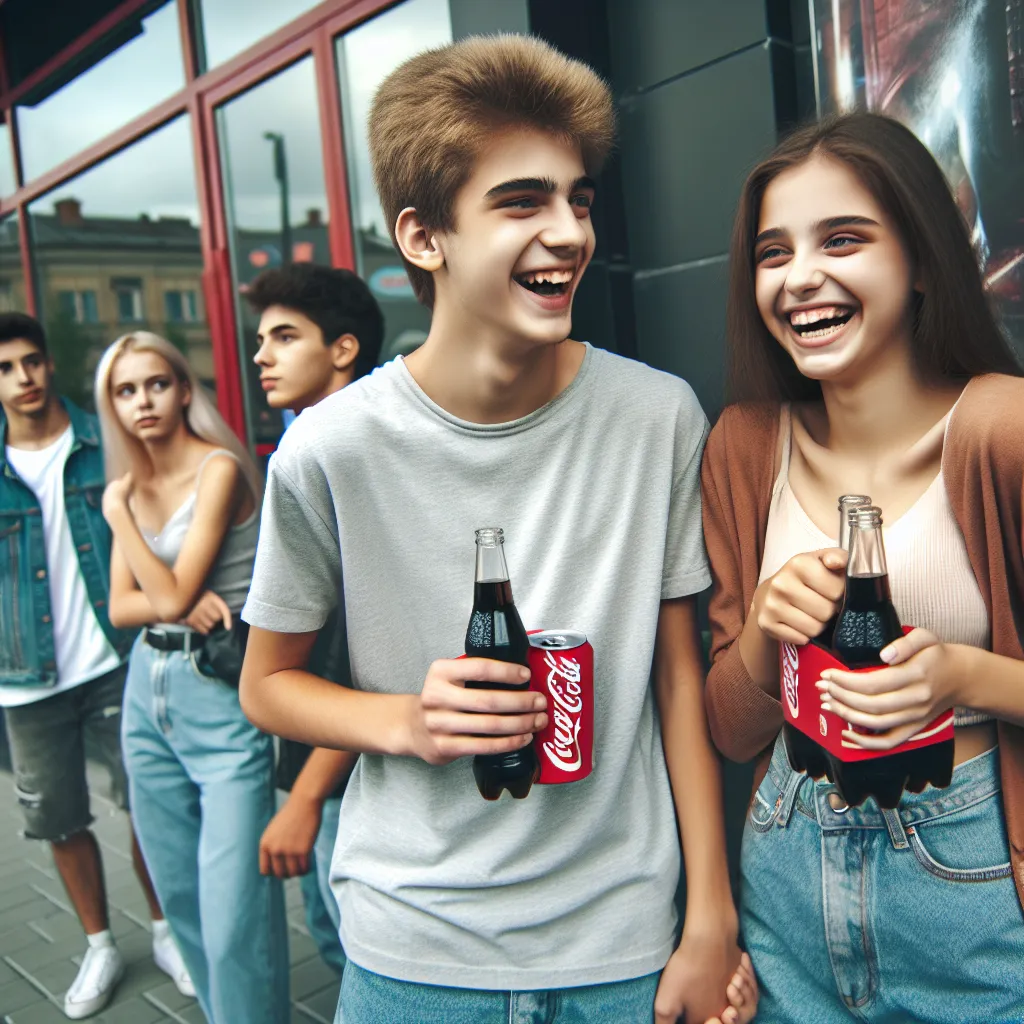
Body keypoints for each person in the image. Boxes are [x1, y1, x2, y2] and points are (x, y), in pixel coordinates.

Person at [240, 34, 756, 1024]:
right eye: (522, 203)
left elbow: (676, 676)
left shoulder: (657, 417)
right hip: (410, 954)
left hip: (621, 944)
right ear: (425, 237)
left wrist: (708, 919)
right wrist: (401, 720)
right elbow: (269, 684)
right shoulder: (330, 451)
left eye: (579, 198)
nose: (567, 231)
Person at [702, 111, 1024, 1022]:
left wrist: (963, 675)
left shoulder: (1004, 428)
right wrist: (766, 627)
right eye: (773, 251)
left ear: (920, 259)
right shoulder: (743, 445)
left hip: (967, 880)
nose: (801, 276)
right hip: (785, 864)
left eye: (842, 239)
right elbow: (729, 730)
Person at [0, 312, 192, 1019]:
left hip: (116, 659)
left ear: (50, 364)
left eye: (31, 361)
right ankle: (100, 943)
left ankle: (169, 931)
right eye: (5, 368)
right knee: (57, 818)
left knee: (145, 802)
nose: (22, 378)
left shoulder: (102, 441)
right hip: (24, 678)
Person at [94, 331, 289, 1024]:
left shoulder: (217, 469)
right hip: (147, 688)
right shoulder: (132, 482)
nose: (141, 401)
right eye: (124, 390)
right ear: (110, 405)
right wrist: (169, 588)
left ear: (183, 389)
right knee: (178, 893)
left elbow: (175, 598)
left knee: (233, 897)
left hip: (217, 687)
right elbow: (125, 608)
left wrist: (121, 522)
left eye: (155, 383)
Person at [246, 262, 384, 975]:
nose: (261, 355)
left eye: (284, 336)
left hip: (357, 765)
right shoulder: (303, 447)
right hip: (317, 748)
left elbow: (365, 649)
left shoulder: (363, 450)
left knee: (355, 953)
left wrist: (304, 797)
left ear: (343, 348)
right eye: (260, 338)